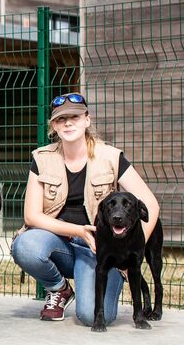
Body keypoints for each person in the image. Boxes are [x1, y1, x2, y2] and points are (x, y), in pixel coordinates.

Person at [11, 92, 160, 325]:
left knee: (93, 317)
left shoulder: (111, 157)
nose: (68, 123)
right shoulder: (41, 158)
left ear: (87, 120)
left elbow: (150, 203)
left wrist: (134, 253)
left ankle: (93, 284)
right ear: (54, 126)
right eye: (61, 119)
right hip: (59, 243)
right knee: (25, 245)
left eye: (75, 117)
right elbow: (31, 215)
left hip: (99, 250)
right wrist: (79, 230)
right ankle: (59, 289)